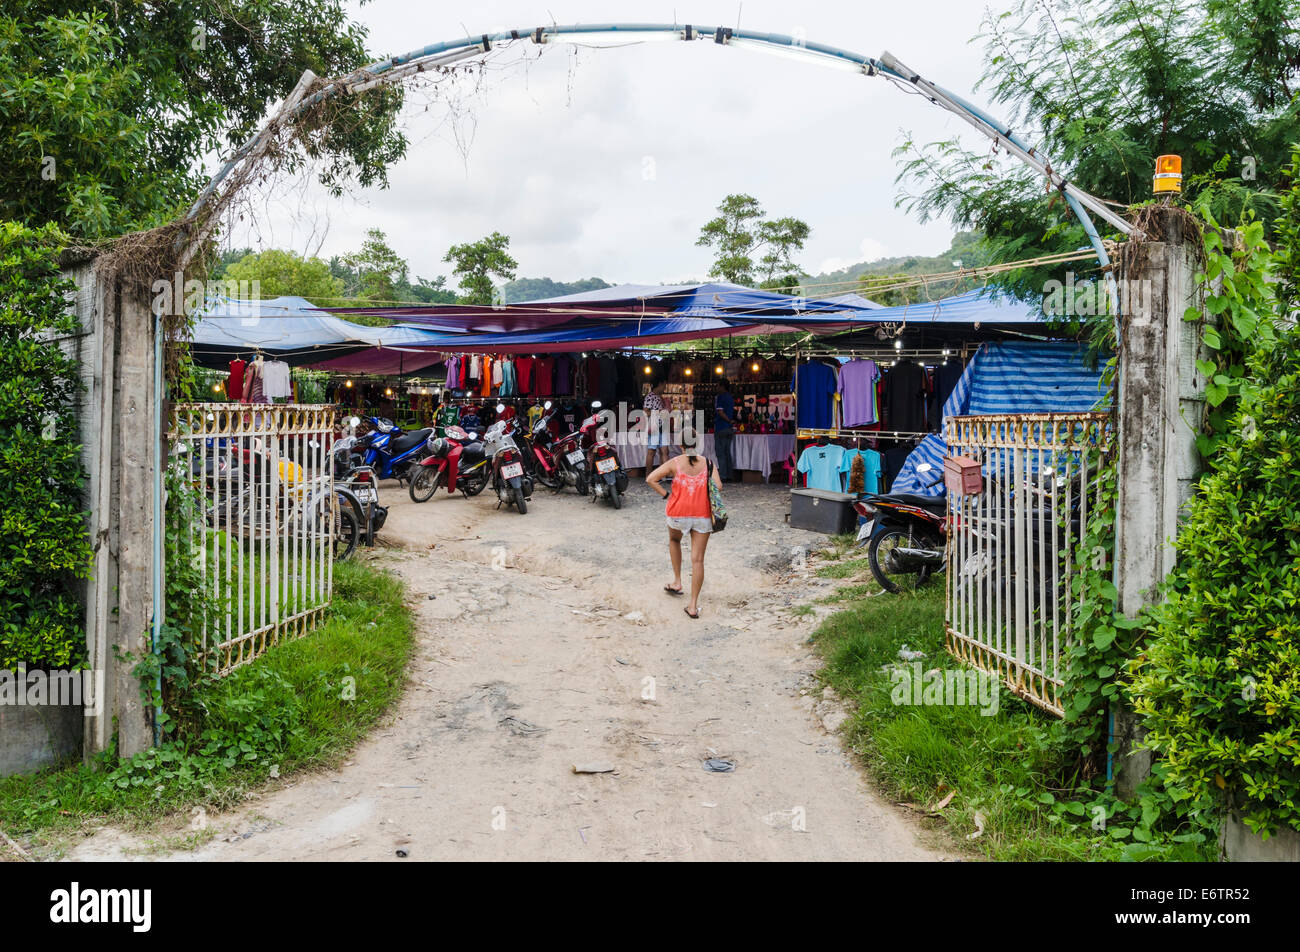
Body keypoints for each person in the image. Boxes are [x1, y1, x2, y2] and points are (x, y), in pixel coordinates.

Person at [647, 449, 722, 619]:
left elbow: (650, 479)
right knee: (698, 560)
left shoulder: (674, 462)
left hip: (678, 512)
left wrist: (667, 494)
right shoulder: (708, 463)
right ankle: (693, 606)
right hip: (702, 515)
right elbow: (718, 486)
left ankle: (677, 581)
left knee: (674, 541)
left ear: (681, 446)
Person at [643, 379, 672, 471]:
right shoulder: (650, 397)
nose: (665, 388)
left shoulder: (660, 397)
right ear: (660, 384)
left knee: (665, 451)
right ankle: (649, 475)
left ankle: (664, 474)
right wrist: (658, 412)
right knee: (652, 451)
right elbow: (645, 412)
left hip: (662, 426)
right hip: (654, 426)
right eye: (664, 385)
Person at [713, 378, 736, 482]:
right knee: (727, 452)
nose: (716, 388)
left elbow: (721, 412)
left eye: (718, 385)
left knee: (720, 453)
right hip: (729, 429)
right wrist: (730, 422)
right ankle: (730, 475)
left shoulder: (721, 397)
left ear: (722, 386)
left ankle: (723, 476)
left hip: (721, 427)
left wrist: (728, 420)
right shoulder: (730, 397)